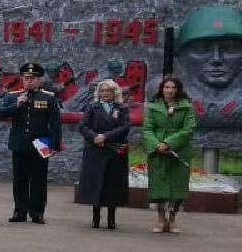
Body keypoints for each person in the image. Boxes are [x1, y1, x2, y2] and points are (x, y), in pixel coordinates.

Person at [0, 62, 62, 224]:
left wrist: (54, 145)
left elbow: (55, 124)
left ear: (39, 80)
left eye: (33, 78)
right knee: (20, 180)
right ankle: (20, 211)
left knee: (39, 180)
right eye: (26, 78)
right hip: (20, 144)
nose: (29, 81)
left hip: (40, 145)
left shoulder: (48, 98)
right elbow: (0, 113)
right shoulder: (13, 97)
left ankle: (37, 212)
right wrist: (17, 105)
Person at [142, 74, 196, 234]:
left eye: (173, 87)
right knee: (159, 186)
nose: (170, 90)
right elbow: (147, 129)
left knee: (177, 187)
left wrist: (169, 143)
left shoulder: (187, 107)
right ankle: (160, 219)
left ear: (178, 89)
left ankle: (172, 220)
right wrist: (157, 144)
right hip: (157, 151)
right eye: (167, 87)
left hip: (179, 151)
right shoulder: (153, 107)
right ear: (162, 89)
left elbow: (188, 130)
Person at [77, 78, 131, 230]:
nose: (105, 93)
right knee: (97, 183)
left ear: (114, 93)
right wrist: (95, 137)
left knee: (112, 184)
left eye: (108, 90)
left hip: (114, 150)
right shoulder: (92, 107)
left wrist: (105, 136)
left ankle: (111, 218)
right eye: (102, 90)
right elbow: (83, 126)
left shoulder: (122, 108)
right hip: (95, 150)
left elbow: (125, 126)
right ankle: (96, 217)